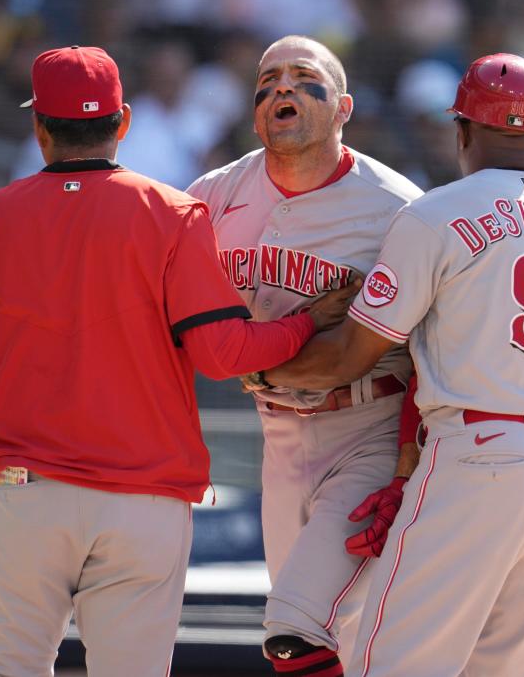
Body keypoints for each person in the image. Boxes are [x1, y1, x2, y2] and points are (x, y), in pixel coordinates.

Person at [0, 45, 359, 677]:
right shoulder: (171, 212)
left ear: (39, 129)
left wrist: (14, 424)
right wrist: (306, 321)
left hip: (27, 487)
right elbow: (223, 355)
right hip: (143, 498)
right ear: (124, 122)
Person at [262, 53, 524, 676]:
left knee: (393, 666)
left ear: (463, 130)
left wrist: (263, 367)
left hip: (478, 456)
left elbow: (348, 356)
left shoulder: (437, 213)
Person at [187, 34, 423, 675]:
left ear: (343, 107)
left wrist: (407, 466)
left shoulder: (399, 209)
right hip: (277, 435)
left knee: (295, 629)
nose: (282, 87)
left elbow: (436, 353)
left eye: (302, 75)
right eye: (268, 79)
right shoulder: (210, 197)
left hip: (369, 428)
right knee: (325, 638)